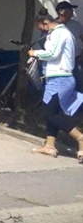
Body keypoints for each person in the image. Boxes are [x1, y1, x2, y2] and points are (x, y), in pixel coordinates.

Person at [28, 14, 83, 162]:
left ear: (45, 23)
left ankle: (80, 138)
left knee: (48, 114)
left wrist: (35, 53)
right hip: (56, 79)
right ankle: (50, 146)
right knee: (52, 113)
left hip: (60, 79)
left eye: (40, 27)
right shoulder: (61, 33)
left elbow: (52, 53)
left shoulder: (59, 33)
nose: (41, 30)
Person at [55, 1, 83, 89]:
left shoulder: (77, 25)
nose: (72, 12)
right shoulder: (52, 25)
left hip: (76, 60)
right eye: (70, 9)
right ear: (61, 11)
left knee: (79, 83)